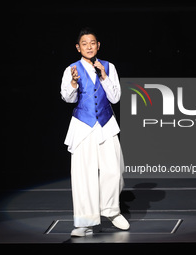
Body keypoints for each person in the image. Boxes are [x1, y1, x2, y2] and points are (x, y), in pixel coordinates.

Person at [60, 27, 129, 237]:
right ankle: (85, 222)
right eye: (84, 43)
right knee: (84, 175)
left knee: (114, 170)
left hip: (106, 125)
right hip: (83, 126)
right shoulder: (71, 68)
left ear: (98, 45)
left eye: (92, 43)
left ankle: (111, 210)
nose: (89, 47)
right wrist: (73, 82)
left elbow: (116, 98)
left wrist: (104, 76)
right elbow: (68, 98)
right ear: (78, 47)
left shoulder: (108, 66)